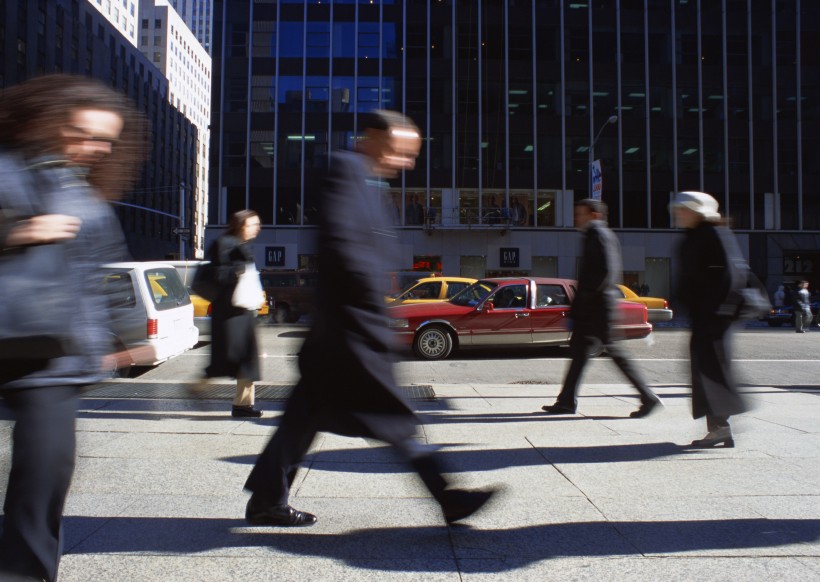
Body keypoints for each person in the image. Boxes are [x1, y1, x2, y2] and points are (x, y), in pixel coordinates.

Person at [244, 110, 495, 527]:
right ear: (375, 137)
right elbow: (342, 245)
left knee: (305, 415)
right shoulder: (344, 170)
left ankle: (267, 498)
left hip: (343, 330)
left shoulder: (370, 185)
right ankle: (446, 496)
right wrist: (371, 311)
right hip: (350, 329)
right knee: (391, 416)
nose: (407, 163)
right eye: (402, 151)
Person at [0, 75, 146, 582]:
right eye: (82, 133)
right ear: (47, 119)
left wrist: (107, 346)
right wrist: (16, 232)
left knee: (45, 477)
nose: (95, 148)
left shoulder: (89, 197)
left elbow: (101, 278)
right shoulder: (6, 167)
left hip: (53, 359)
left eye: (106, 140)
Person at [541, 199, 662, 418]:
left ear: (594, 215)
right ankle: (566, 400)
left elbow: (603, 272)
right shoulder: (594, 235)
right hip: (594, 307)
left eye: (580, 214)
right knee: (580, 354)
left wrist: (585, 301)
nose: (576, 218)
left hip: (597, 308)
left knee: (614, 353)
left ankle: (648, 397)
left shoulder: (599, 235)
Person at [671, 191, 749, 448]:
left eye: (684, 209)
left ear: (698, 210)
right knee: (707, 371)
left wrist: (717, 310)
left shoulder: (713, 234)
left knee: (711, 372)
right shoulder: (695, 236)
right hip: (705, 316)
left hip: (714, 317)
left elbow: (731, 276)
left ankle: (720, 428)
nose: (679, 214)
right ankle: (719, 428)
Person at [193, 210, 264, 417]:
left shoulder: (241, 246)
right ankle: (197, 387)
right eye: (253, 224)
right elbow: (216, 275)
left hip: (242, 312)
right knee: (228, 360)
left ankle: (243, 406)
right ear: (240, 224)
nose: (257, 228)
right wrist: (236, 271)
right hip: (229, 314)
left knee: (247, 360)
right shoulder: (224, 244)